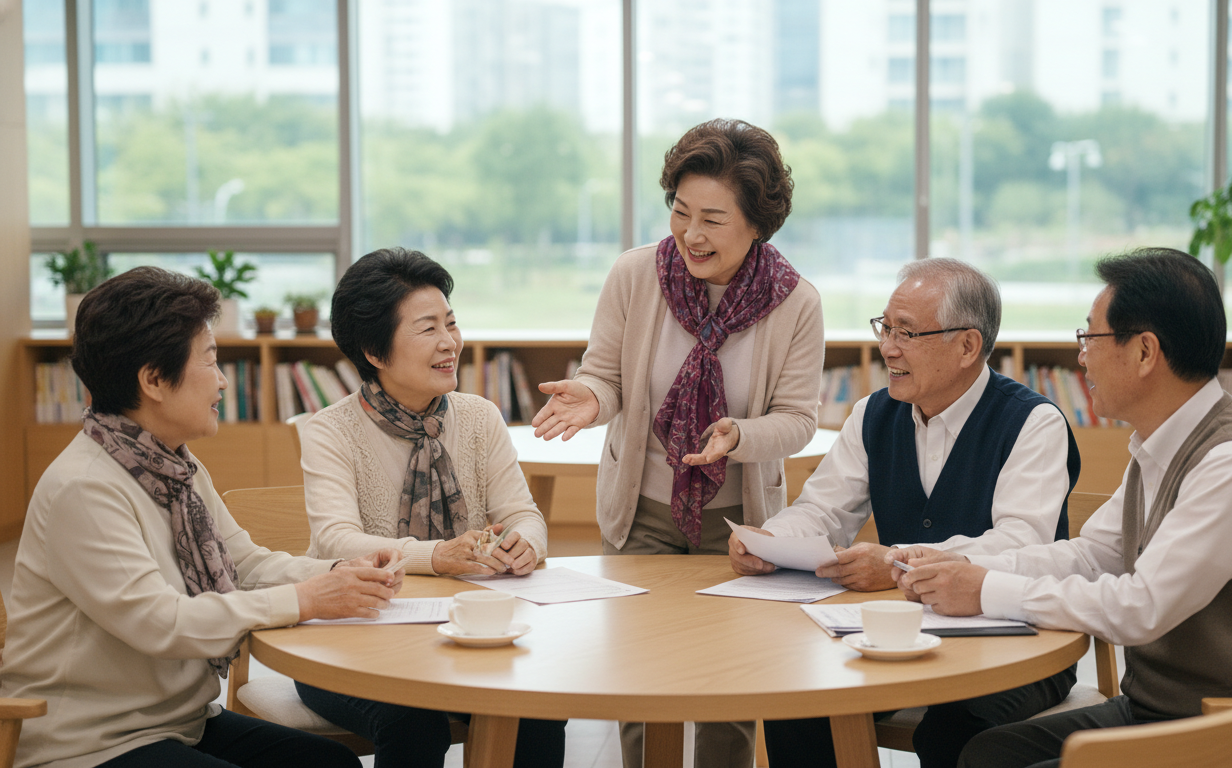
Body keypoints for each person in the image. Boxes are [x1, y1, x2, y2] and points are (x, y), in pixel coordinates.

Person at [892, 248, 1232, 768]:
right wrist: (970, 568)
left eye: (1090, 338)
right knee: (988, 753)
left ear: (1145, 352)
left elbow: (1140, 608)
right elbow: (1092, 554)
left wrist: (987, 589)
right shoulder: (1156, 447)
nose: (1081, 357)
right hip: (1161, 712)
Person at [0, 267, 404, 768]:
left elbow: (245, 565)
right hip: (86, 743)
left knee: (330, 763)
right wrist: (304, 599)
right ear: (152, 379)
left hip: (177, 723)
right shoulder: (84, 488)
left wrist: (340, 574)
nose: (221, 380)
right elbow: (162, 622)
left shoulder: (173, 464)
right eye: (210, 361)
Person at [530, 118, 825, 768]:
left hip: (738, 522)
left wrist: (740, 435)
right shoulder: (637, 275)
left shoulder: (796, 303)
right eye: (680, 211)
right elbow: (605, 374)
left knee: (731, 687)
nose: (691, 233)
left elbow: (799, 418)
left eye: (714, 219)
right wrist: (592, 396)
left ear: (757, 223)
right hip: (642, 514)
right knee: (639, 679)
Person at [730, 258, 1081, 768]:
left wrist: (896, 564)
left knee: (957, 727)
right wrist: (770, 541)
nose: (888, 347)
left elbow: (1021, 544)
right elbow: (823, 508)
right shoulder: (873, 413)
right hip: (899, 632)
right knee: (801, 701)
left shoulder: (1033, 423)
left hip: (1017, 639)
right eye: (886, 327)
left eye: (908, 333)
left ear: (967, 346)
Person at [297, 247, 565, 768]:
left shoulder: (480, 416)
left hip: (461, 630)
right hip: (348, 639)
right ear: (374, 351)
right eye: (427, 330)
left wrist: (523, 544)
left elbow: (523, 514)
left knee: (538, 702)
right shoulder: (331, 430)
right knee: (412, 719)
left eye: (452, 322)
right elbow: (337, 540)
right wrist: (437, 555)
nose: (450, 343)